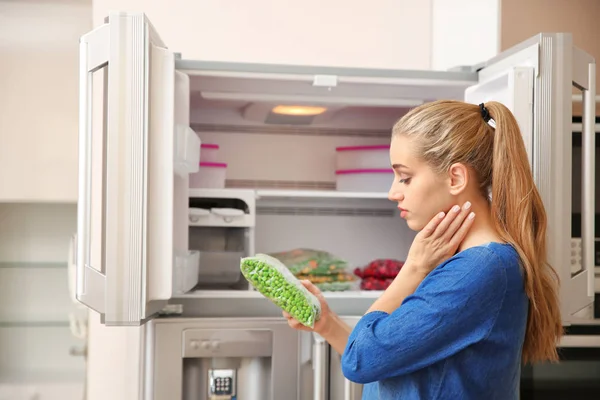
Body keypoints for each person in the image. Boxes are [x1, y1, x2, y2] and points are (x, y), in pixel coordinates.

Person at [283, 100, 563, 399]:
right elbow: (389, 358)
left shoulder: (478, 269)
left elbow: (360, 359)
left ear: (455, 178)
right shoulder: (468, 262)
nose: (393, 192)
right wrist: (328, 324)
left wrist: (413, 269)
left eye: (405, 177)